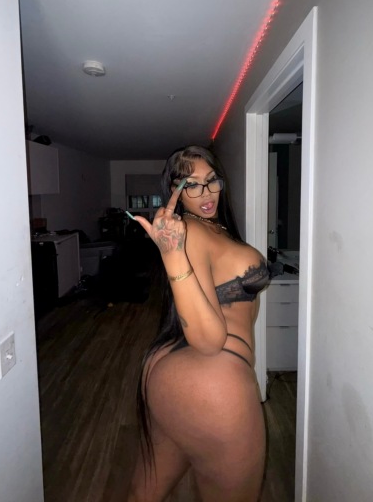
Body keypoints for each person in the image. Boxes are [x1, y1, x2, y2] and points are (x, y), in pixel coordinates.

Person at [127, 145, 270, 502]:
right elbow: (208, 341)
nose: (206, 194)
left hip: (171, 373)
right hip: (214, 381)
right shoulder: (189, 231)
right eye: (191, 185)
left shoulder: (210, 228)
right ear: (173, 190)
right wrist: (173, 254)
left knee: (145, 494)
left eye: (212, 181)